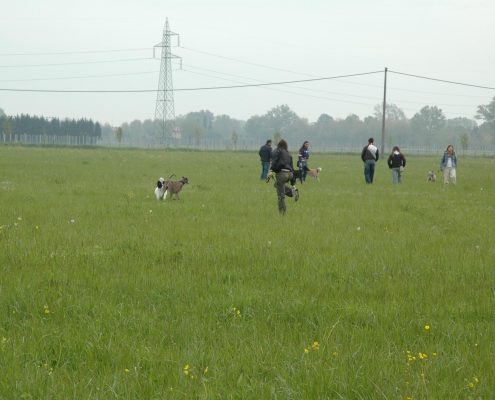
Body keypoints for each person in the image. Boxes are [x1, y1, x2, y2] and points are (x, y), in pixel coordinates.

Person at [267, 139, 299, 215]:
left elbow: (274, 161)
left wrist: (271, 170)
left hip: (282, 174)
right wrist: (293, 184)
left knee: (281, 195)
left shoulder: (278, 151)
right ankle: (293, 192)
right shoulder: (288, 153)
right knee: (277, 184)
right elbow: (292, 168)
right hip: (290, 174)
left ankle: (282, 213)